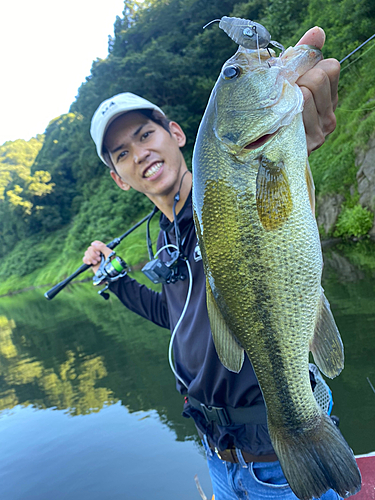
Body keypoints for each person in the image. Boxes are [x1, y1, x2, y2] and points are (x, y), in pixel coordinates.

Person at [83, 27, 341, 499]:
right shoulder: (165, 238)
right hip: (220, 460)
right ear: (119, 178)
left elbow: (271, 201)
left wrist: (294, 141)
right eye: (122, 154)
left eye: (145, 135)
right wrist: (117, 281)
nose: (139, 154)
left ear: (176, 133)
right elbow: (177, 316)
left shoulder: (218, 195)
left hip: (277, 463)